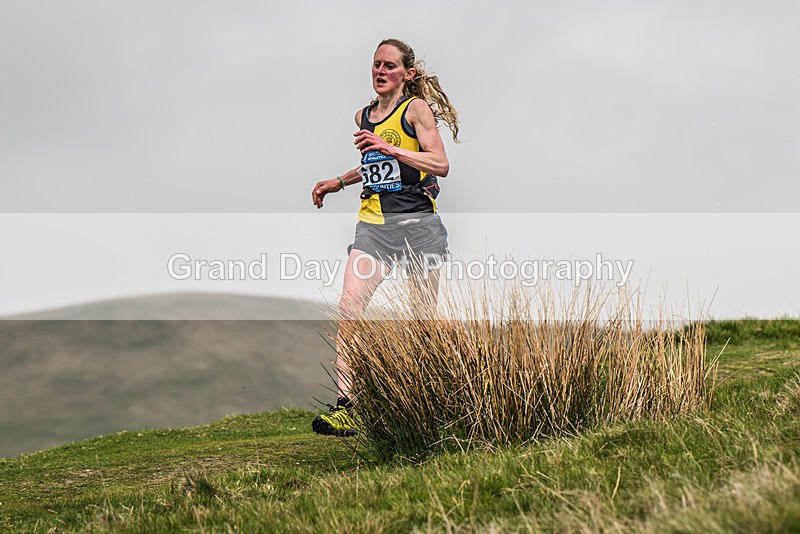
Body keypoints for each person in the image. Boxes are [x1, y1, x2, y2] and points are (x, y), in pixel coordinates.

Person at [310, 38, 460, 436]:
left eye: (390, 66)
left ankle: (447, 384)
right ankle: (347, 406)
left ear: (408, 74)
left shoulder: (416, 110)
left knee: (424, 321)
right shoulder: (363, 116)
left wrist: (391, 151)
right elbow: (373, 161)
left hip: (419, 229)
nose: (380, 71)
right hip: (374, 227)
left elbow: (440, 164)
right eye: (376, 64)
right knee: (349, 308)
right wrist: (339, 181)